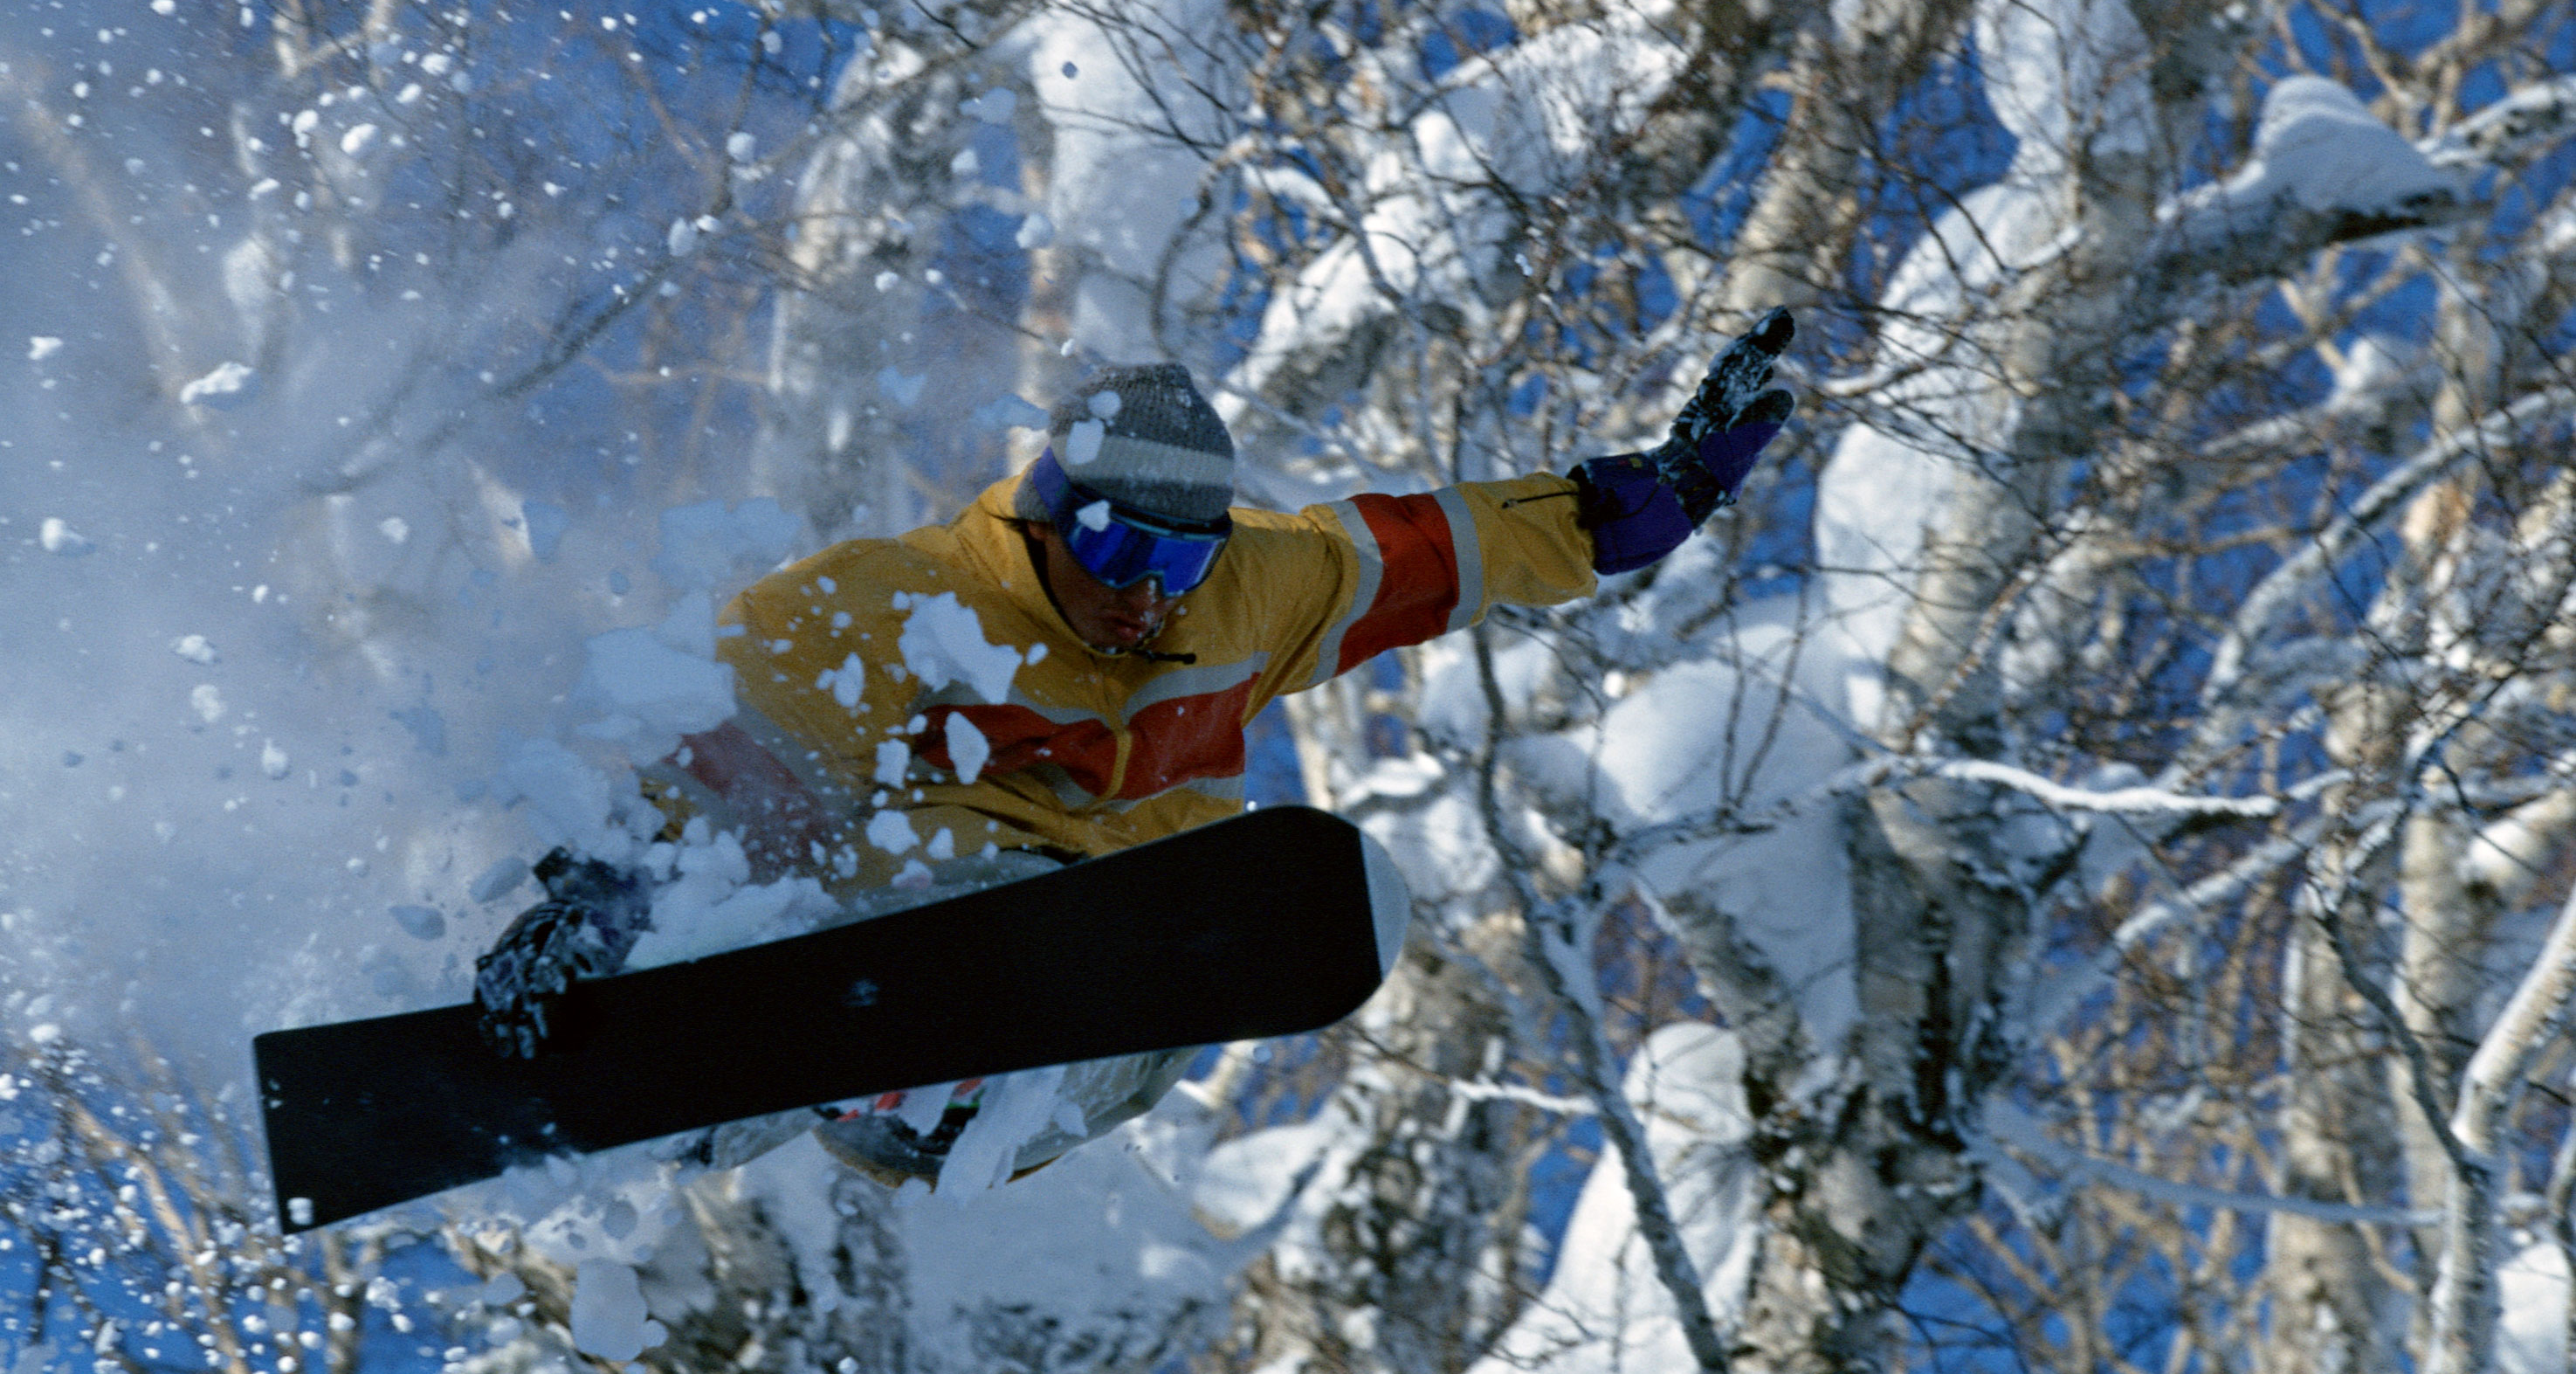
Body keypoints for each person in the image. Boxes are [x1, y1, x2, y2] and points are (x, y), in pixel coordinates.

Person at [475, 310, 1799, 1186]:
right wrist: (591, 909)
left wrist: (1664, 491)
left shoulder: (1256, 589)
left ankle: (965, 1092)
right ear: (1047, 512)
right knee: (916, 883)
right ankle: (731, 1088)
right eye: (1114, 548)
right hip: (924, 915)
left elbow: (1456, 545)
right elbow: (718, 768)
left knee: (1236, 946)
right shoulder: (892, 599)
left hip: (1104, 981)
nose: (1146, 592)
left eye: (1180, 557)